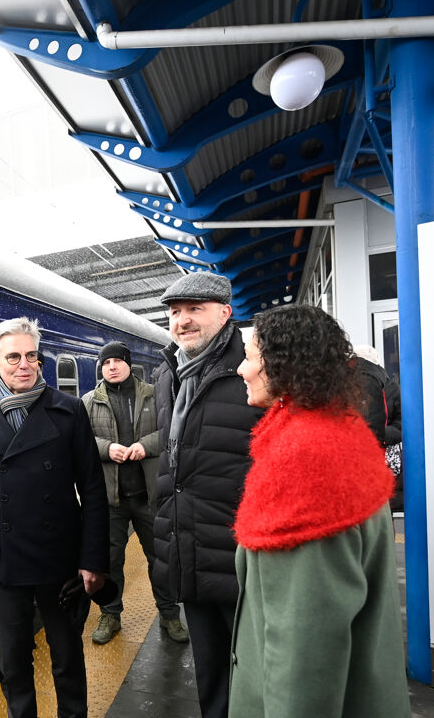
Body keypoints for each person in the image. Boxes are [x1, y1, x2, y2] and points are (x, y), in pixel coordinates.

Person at [230, 304, 410, 718]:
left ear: (283, 366)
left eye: (251, 357)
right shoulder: (340, 430)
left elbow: (303, 641)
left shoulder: (303, 461)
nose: (242, 369)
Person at [0, 317, 108, 718]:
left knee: (67, 656)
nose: (25, 365)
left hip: (59, 557)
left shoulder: (68, 411)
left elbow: (93, 489)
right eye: (13, 357)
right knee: (13, 661)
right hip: (2, 559)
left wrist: (93, 559)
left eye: (32, 356)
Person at [152, 272, 264, 718]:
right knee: (210, 672)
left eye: (194, 309)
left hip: (242, 554)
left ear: (224, 313)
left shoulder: (253, 369)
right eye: (175, 312)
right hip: (189, 550)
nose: (182, 321)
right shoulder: (168, 372)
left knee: (255, 672)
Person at [80, 341, 187, 646]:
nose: (111, 367)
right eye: (105, 363)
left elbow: (171, 430)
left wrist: (145, 446)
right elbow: (82, 440)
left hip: (148, 496)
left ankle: (169, 614)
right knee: (110, 561)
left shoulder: (153, 394)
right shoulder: (88, 401)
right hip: (110, 499)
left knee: (160, 558)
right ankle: (110, 615)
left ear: (129, 364)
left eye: (117, 361)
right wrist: (106, 449)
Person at [353, 343, 403, 511]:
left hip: (382, 455)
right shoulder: (345, 389)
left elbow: (401, 424)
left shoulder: (392, 388)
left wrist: (381, 435)